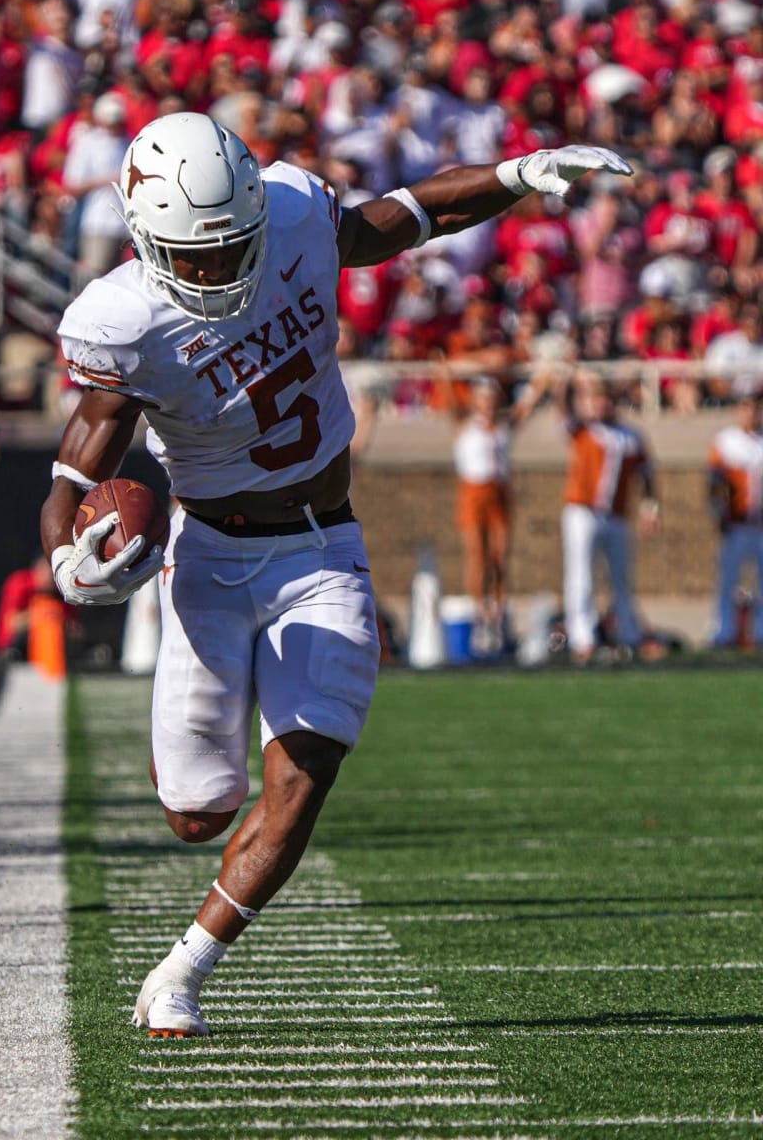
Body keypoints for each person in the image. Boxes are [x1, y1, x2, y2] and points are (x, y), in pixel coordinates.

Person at [39, 111, 631, 1036]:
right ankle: (195, 854)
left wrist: (516, 173)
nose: (217, 270)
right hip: (208, 554)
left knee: (306, 764)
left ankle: (186, 968)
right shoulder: (122, 318)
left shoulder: (292, 213)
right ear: (145, 237)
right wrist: (64, 547)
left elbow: (396, 217)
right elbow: (84, 454)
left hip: (323, 545)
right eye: (195, 255)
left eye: (233, 247)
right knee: (197, 814)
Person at [440, 367, 550, 654]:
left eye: (491, 399)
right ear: (476, 401)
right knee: (477, 556)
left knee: (500, 557)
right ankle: (479, 616)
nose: (488, 405)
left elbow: (526, 405)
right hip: (473, 494)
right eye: (483, 399)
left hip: (500, 493)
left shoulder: (504, 426)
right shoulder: (465, 425)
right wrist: (443, 370)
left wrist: (544, 376)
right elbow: (450, 401)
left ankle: (498, 614)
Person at [557, 368, 661, 665]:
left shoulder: (630, 436)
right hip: (582, 511)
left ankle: (629, 634)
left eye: (607, 400)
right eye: (597, 399)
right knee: (581, 575)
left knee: (621, 577)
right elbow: (562, 405)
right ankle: (582, 638)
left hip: (616, 515)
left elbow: (646, 475)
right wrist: (570, 376)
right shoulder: (583, 430)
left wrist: (651, 508)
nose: (602, 406)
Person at [707, 390, 763, 648]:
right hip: (737, 524)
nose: (752, 413)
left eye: (756, 407)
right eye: (747, 407)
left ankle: (759, 632)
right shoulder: (726, 441)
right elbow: (715, 482)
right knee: (728, 580)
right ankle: (724, 631)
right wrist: (719, 513)